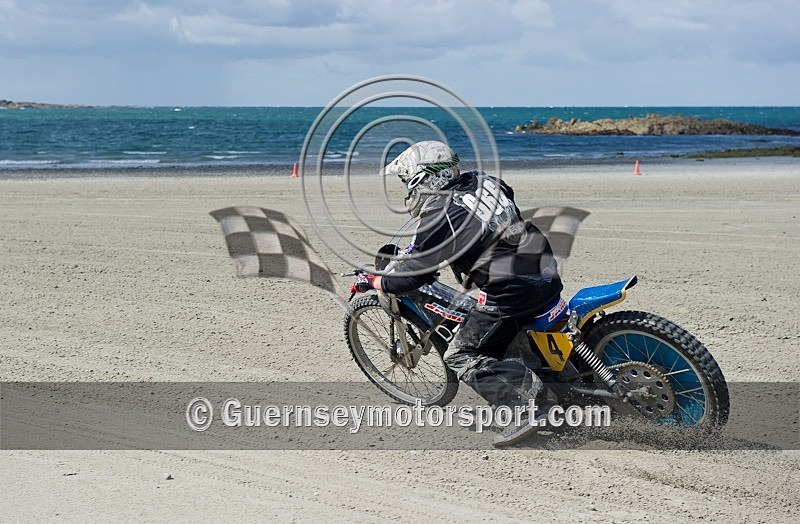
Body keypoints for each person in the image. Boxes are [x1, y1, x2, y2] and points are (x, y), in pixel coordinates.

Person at [350, 140, 563, 446]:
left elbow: (412, 278)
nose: (406, 190)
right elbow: (500, 200)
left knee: (460, 354)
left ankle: (534, 406)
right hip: (544, 267)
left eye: (406, 182)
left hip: (513, 290)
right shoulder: (483, 181)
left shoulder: (439, 213)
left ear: (423, 179)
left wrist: (373, 282)